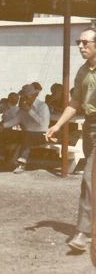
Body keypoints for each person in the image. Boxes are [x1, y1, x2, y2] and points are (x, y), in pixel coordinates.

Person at [46, 27, 96, 252]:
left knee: (89, 178)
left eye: (85, 42)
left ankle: (83, 233)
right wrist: (56, 125)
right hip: (90, 127)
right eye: (79, 42)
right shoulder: (83, 71)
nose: (80, 46)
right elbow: (75, 103)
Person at [0, 83, 49, 174]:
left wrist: (29, 110)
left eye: (26, 97)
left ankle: (21, 164)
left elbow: (42, 123)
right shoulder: (23, 106)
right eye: (23, 97)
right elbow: (17, 119)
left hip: (40, 134)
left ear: (33, 96)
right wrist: (4, 125)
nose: (24, 99)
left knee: (27, 136)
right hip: (27, 133)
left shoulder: (42, 106)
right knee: (5, 133)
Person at [0, 92, 21, 161]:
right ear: (9, 99)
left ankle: (1, 155)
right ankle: (0, 155)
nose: (15, 101)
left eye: (16, 100)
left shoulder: (17, 109)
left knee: (3, 135)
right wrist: (1, 104)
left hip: (12, 125)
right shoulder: (6, 106)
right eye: (13, 99)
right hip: (4, 123)